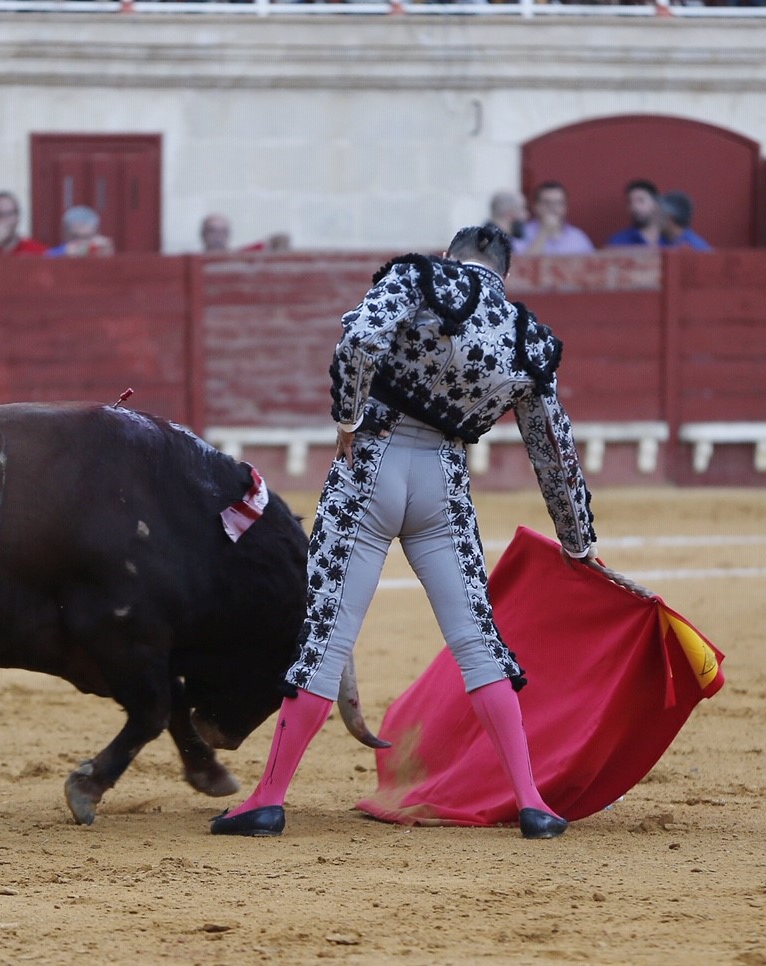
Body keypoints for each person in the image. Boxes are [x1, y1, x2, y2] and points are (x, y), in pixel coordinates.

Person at [209, 225, 642, 841]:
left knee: (327, 637)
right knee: (479, 641)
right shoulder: (528, 337)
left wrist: (347, 417)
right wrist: (578, 541)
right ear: (504, 274)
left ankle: (267, 800)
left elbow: (361, 338)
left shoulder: (418, 277)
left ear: (451, 256)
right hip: (445, 482)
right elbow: (554, 448)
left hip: (370, 465)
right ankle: (532, 803)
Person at [510, 181, 594, 255]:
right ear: (535, 206)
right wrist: (544, 232)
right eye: (547, 202)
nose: (552, 207)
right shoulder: (521, 233)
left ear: (565, 207)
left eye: (558, 203)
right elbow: (521, 265)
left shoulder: (578, 237)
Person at [606, 180, 663, 248]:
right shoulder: (618, 242)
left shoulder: (671, 237)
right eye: (630, 202)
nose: (635, 207)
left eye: (641, 200)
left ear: (656, 203)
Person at [200, 212, 291, 253]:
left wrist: (274, 243)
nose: (218, 236)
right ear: (203, 234)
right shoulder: (195, 262)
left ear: (228, 235)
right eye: (212, 231)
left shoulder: (239, 256)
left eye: (222, 232)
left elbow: (280, 239)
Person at [45, 205, 114, 258]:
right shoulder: (59, 251)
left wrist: (105, 250)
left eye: (87, 237)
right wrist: (66, 252)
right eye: (77, 237)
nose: (82, 242)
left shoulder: (100, 247)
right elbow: (46, 257)